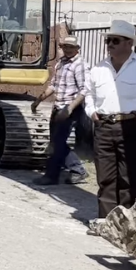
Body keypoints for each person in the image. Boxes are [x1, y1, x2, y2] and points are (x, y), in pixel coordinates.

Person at [84, 20, 136, 232]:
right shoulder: (99, 68)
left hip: (133, 126)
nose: (109, 44)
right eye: (108, 40)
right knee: (105, 176)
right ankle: (106, 222)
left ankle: (129, 225)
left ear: (129, 43)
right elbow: (89, 94)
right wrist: (92, 112)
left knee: (131, 176)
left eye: (115, 40)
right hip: (104, 126)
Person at [31, 36, 90, 186]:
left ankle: (56, 175)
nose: (68, 49)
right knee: (55, 142)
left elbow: (84, 90)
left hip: (70, 109)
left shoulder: (80, 65)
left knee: (58, 142)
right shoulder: (60, 64)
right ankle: (71, 171)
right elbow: (54, 85)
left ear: (78, 48)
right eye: (65, 46)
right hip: (58, 107)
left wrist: (70, 108)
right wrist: (39, 99)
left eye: (71, 47)